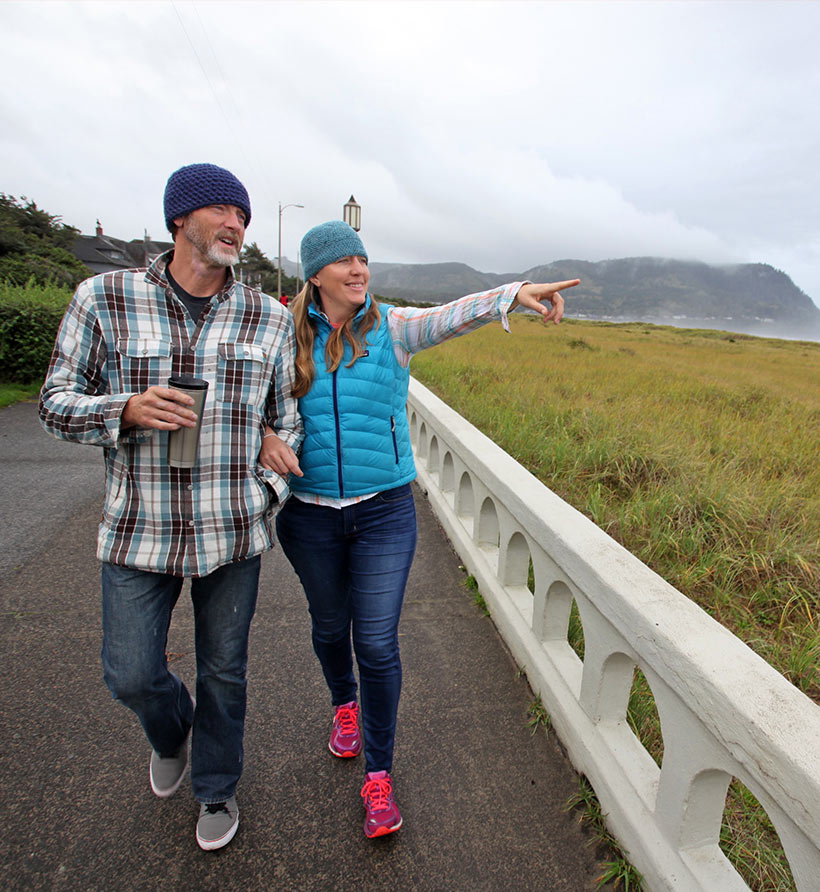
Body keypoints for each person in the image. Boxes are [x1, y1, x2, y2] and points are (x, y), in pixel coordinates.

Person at [259, 220, 578, 838]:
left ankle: (379, 774)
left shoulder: (393, 328)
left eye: (363, 259)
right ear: (316, 275)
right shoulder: (281, 335)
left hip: (383, 510)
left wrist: (510, 295)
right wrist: (266, 435)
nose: (358, 270)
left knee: (376, 641)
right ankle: (342, 706)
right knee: (330, 628)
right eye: (343, 262)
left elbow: (451, 316)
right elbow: (250, 400)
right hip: (309, 516)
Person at [39, 163, 302, 851]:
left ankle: (216, 790)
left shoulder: (266, 316)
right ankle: (170, 730)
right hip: (139, 529)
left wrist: (264, 491)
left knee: (225, 672)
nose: (235, 223)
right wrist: (121, 408)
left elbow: (288, 419)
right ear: (179, 220)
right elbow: (54, 403)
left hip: (231, 530)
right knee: (129, 671)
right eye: (220, 209)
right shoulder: (104, 299)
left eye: (241, 213)